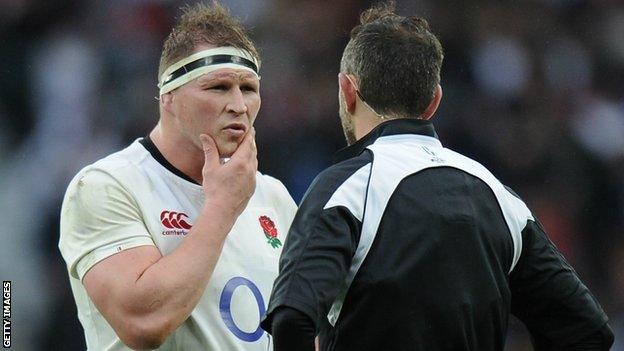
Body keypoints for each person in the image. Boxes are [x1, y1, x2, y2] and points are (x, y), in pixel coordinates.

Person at [261, 2, 614, 351]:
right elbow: (588, 330)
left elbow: (293, 316)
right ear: (434, 101)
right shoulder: (500, 197)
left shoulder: (347, 188)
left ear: (347, 91)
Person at [58, 2, 297, 350]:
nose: (238, 106)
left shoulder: (272, 196)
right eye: (218, 87)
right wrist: (222, 207)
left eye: (248, 88)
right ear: (168, 96)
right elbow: (144, 323)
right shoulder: (105, 186)